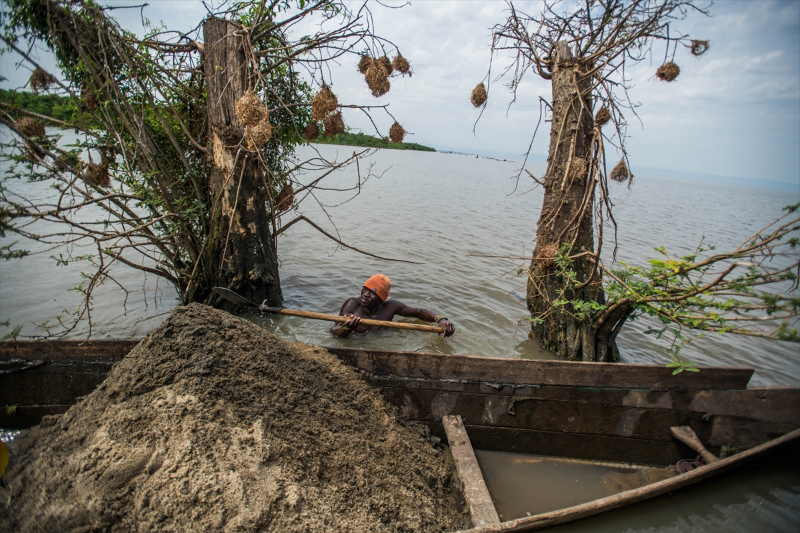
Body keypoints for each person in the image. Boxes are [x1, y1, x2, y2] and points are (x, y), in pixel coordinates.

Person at [330, 274, 455, 338]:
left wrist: (440, 319)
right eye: (364, 289)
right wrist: (348, 329)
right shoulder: (352, 304)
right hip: (356, 340)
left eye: (372, 293)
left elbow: (418, 312)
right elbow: (334, 332)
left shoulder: (390, 307)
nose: (365, 295)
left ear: (382, 298)